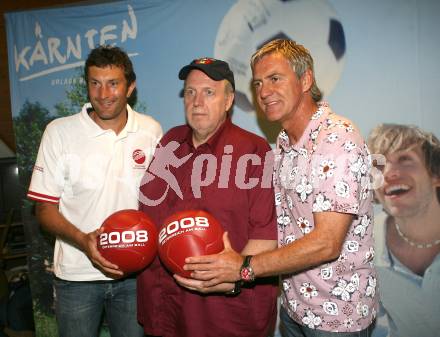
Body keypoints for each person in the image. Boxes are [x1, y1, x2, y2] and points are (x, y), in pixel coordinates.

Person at [180, 39, 378, 336]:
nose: (263, 92)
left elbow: (326, 242)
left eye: (275, 79)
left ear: (306, 79)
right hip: (293, 309)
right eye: (258, 83)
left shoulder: (337, 138)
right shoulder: (283, 143)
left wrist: (243, 267)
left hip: (336, 319)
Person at [136, 57, 278, 337]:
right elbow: (150, 214)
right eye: (190, 92)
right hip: (165, 312)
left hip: (224, 318)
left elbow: (266, 235)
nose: (197, 101)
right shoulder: (170, 142)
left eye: (209, 92)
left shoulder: (255, 151)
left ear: (229, 100)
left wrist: (236, 275)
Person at [27, 45, 162, 337]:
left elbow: (161, 203)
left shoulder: (151, 130)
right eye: (95, 84)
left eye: (113, 83)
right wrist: (83, 241)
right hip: (76, 278)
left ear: (131, 87)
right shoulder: (59, 132)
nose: (103, 94)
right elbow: (44, 209)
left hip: (134, 277)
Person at [367, 124, 440, 337]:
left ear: (435, 174)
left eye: (405, 159)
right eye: (378, 166)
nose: (389, 173)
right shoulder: (361, 246)